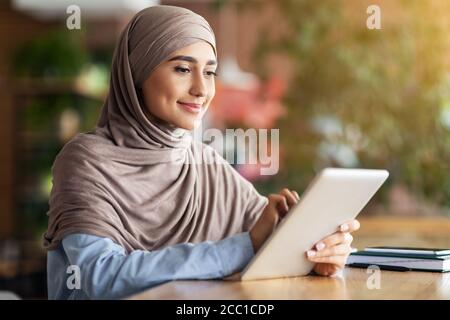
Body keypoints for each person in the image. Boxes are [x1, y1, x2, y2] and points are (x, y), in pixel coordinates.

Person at [43, 5, 360, 300]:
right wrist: (243, 247)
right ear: (136, 74)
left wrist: (316, 251)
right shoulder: (85, 160)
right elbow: (100, 277)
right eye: (183, 69)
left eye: (210, 72)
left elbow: (270, 239)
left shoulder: (203, 162)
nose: (201, 89)